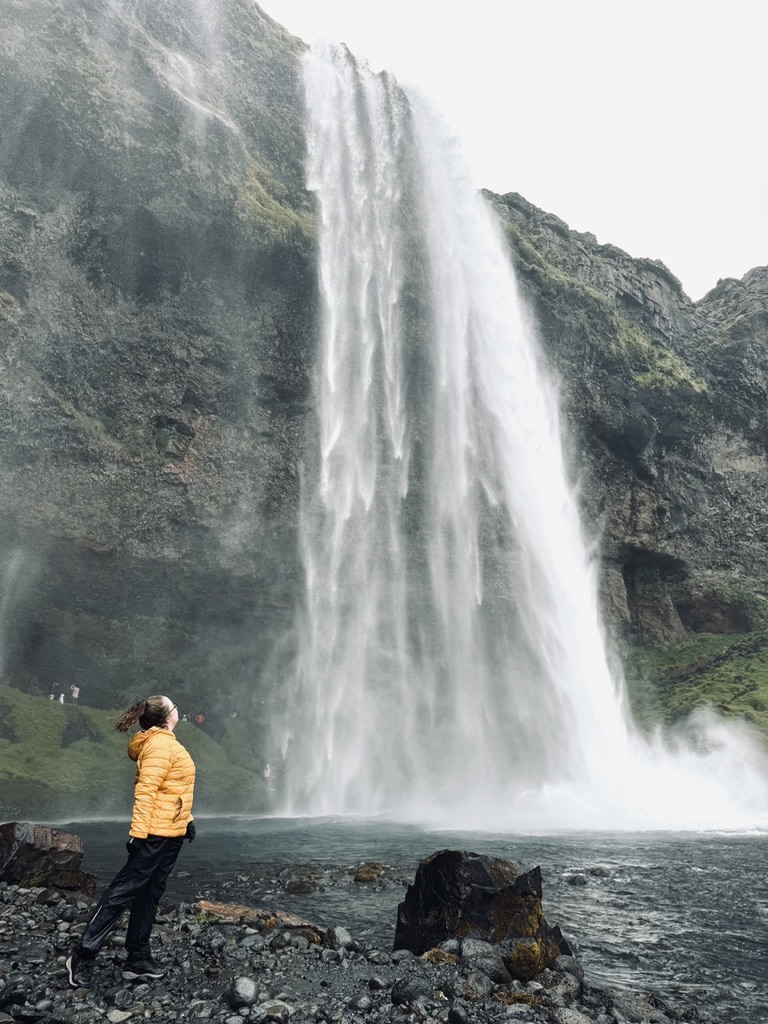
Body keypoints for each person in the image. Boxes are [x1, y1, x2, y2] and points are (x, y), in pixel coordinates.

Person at [66, 695, 196, 990]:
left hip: (170, 833)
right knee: (121, 894)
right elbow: (146, 791)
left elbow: (171, 790)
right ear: (167, 717)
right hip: (153, 836)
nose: (178, 709)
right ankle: (82, 955)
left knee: (149, 895)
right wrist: (138, 835)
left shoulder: (165, 743)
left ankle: (137, 959)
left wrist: (186, 821)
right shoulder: (160, 745)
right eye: (175, 706)